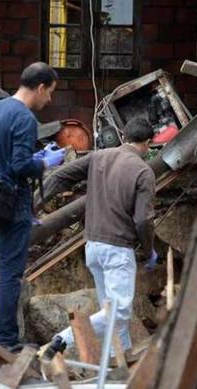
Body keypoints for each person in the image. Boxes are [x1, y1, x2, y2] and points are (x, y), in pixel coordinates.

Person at [0, 62, 66, 353]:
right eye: (51, 93)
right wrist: (44, 162)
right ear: (40, 87)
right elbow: (19, 165)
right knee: (10, 272)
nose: (50, 100)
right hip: (10, 205)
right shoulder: (26, 118)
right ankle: (7, 340)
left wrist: (35, 156)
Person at [38, 117, 157, 360]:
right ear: (148, 144)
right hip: (117, 250)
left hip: (93, 247)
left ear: (123, 137)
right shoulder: (144, 172)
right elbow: (143, 220)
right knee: (119, 313)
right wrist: (149, 250)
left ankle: (119, 361)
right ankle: (64, 339)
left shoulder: (98, 157)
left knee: (111, 313)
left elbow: (59, 176)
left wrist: (32, 205)